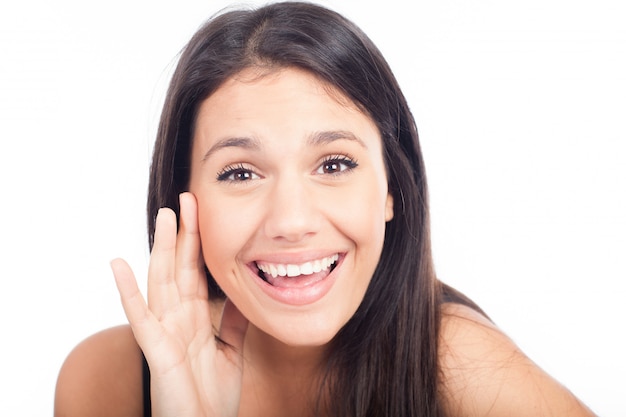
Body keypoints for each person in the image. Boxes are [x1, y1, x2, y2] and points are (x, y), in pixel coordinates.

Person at [54, 2, 597, 416]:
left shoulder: (460, 364)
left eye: (334, 165)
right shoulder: (107, 379)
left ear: (392, 190)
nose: (292, 221)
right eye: (240, 173)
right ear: (183, 202)